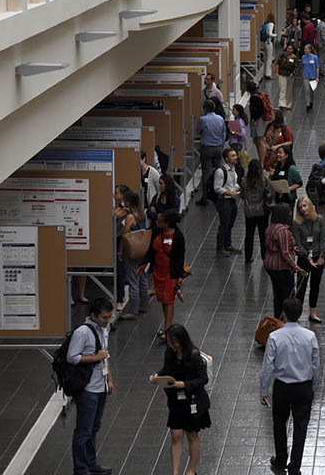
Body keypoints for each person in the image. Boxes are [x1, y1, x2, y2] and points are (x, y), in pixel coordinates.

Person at [260, 297, 319, 475]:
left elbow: (267, 365)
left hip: (282, 387)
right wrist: (314, 387)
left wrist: (264, 390)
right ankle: (295, 466)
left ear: (283, 313)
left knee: (279, 423)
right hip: (303, 387)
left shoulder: (274, 336)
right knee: (301, 426)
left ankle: (280, 459)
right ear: (300, 314)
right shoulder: (310, 336)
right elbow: (315, 364)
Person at [152, 324, 211, 475]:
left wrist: (184, 384)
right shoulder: (169, 353)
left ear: (181, 340)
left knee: (192, 434)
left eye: (173, 342)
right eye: (169, 342)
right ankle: (175, 471)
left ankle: (191, 470)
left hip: (192, 401)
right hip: (175, 401)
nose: (171, 345)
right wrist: (157, 376)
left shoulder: (194, 355)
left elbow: (203, 379)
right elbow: (166, 369)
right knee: (175, 435)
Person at [67, 296, 115, 475]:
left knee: (94, 428)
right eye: (104, 317)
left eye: (109, 317)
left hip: (100, 386)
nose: (107, 320)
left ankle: (91, 462)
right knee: (84, 430)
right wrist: (96, 358)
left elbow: (106, 355)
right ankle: (80, 468)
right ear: (93, 316)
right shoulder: (82, 332)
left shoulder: (104, 329)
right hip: (88, 390)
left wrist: (109, 379)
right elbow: (72, 357)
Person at [142, 209, 185, 341]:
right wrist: (144, 264)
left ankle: (168, 330)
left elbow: (180, 257)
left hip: (170, 273)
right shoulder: (156, 232)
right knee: (163, 300)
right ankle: (168, 326)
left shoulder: (178, 236)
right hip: (158, 272)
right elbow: (150, 250)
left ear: (167, 223)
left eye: (159, 221)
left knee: (169, 300)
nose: (156, 222)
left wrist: (179, 276)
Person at [263, 204, 307, 318]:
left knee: (277, 295)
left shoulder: (270, 227)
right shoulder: (282, 231)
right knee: (286, 296)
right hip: (281, 267)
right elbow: (285, 253)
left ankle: (278, 318)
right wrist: (296, 267)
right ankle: (285, 319)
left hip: (270, 265)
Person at [292, 197, 325, 323]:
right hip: (304, 258)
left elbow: (323, 238)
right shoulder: (297, 223)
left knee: (315, 286)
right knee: (301, 287)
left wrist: (322, 256)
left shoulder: (319, 219)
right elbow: (297, 242)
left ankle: (313, 313)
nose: (303, 209)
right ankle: (296, 315)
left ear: (310, 205)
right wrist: (307, 257)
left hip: (318, 257)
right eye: (300, 207)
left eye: (305, 206)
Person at [119, 190, 150, 320]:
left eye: (124, 200)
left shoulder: (130, 217)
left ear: (128, 202)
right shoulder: (141, 214)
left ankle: (133, 310)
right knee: (142, 277)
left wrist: (121, 251)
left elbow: (124, 236)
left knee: (132, 280)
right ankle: (144, 304)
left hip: (131, 251)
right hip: (142, 250)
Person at [241, 158, 273, 264]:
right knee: (263, 234)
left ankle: (248, 256)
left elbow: (242, 195)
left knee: (249, 235)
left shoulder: (244, 181)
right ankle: (265, 256)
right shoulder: (263, 181)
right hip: (262, 211)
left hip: (249, 211)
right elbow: (268, 195)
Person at [195, 99, 226, 205]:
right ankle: (218, 193)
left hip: (207, 147)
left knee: (207, 173)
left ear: (205, 109)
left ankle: (206, 196)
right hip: (218, 147)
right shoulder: (220, 119)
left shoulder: (203, 119)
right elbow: (223, 133)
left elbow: (198, 131)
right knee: (218, 171)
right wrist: (221, 145)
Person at [214, 148, 241, 257]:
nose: (235, 157)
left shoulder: (233, 169)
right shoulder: (220, 171)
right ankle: (220, 247)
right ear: (226, 159)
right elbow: (217, 188)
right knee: (224, 224)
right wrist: (230, 193)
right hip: (224, 201)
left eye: (235, 155)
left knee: (230, 223)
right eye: (232, 156)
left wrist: (237, 187)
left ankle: (228, 245)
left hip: (232, 201)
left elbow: (234, 183)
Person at [246, 80, 269, 168]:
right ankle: (262, 160)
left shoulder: (254, 98)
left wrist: (253, 119)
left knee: (259, 140)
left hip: (257, 120)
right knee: (258, 140)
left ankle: (262, 161)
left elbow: (257, 111)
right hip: (261, 119)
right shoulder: (259, 94)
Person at [275, 43, 298, 110]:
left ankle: (288, 104)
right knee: (283, 89)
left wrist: (293, 73)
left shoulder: (294, 57)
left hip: (290, 75)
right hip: (282, 74)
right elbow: (277, 64)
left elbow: (296, 67)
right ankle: (281, 104)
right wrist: (276, 73)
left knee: (289, 90)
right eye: (288, 48)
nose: (289, 50)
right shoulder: (282, 55)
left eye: (291, 49)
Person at [229, 104, 248, 180]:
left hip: (237, 144)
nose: (232, 112)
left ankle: (239, 178)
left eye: (234, 110)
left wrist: (233, 132)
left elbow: (242, 135)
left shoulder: (240, 121)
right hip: (236, 143)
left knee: (237, 163)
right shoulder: (237, 120)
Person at [300, 44, 320, 111]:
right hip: (306, 76)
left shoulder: (315, 58)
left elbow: (317, 67)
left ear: (310, 50)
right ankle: (308, 104)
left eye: (306, 49)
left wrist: (317, 76)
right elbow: (302, 66)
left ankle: (311, 101)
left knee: (312, 91)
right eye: (304, 49)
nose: (305, 50)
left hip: (313, 77)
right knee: (307, 91)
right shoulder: (303, 57)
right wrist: (302, 75)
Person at [263, 12, 277, 79]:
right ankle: (268, 74)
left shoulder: (266, 24)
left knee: (266, 58)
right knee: (269, 58)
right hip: (269, 42)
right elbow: (270, 34)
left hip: (265, 42)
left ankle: (265, 73)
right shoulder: (271, 24)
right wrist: (275, 35)